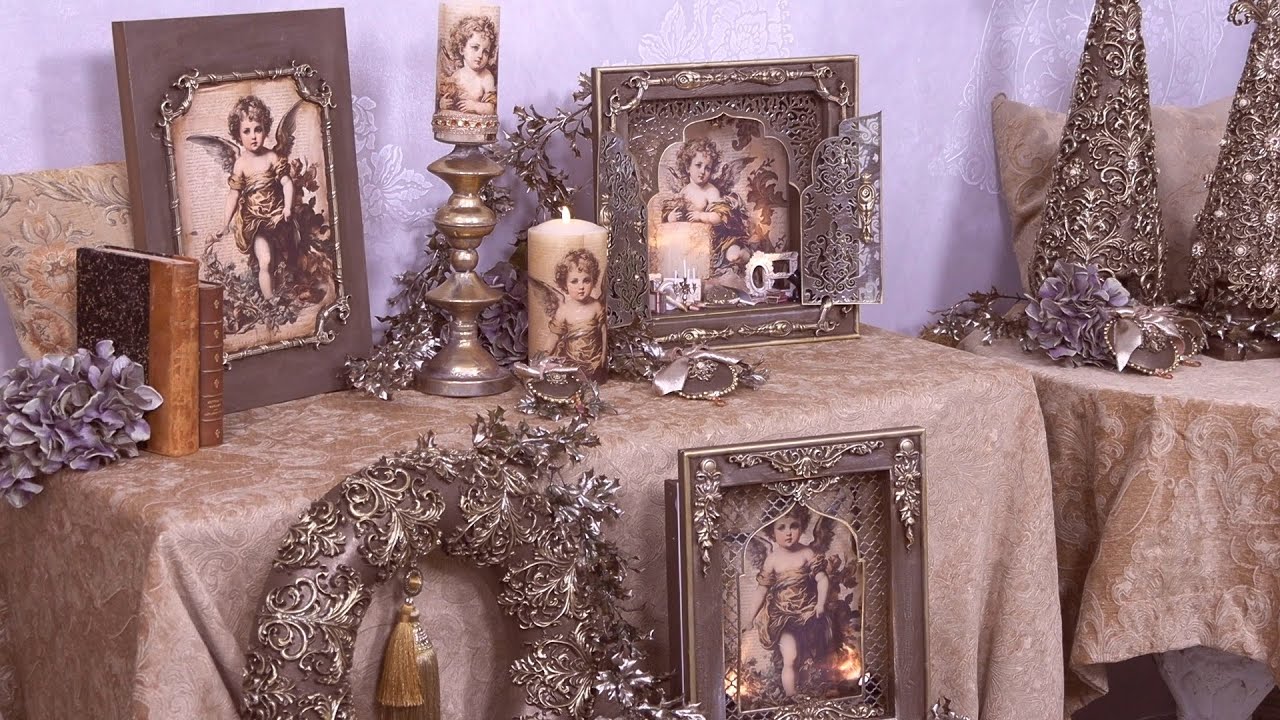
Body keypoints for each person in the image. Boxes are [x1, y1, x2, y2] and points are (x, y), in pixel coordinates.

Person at [745, 505, 834, 698]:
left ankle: (809, 692)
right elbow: (761, 590)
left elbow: (822, 579)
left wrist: (820, 604)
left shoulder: (807, 553)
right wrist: (750, 618)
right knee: (790, 656)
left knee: (810, 656)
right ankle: (791, 696)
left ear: (802, 527)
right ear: (772, 532)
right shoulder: (772, 560)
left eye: (794, 526)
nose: (788, 533)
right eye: (781, 527)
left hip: (808, 614)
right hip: (782, 617)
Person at [215, 95, 294, 301]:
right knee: (265, 260)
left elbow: (287, 183)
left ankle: (280, 295)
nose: (253, 137)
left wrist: (287, 207)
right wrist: (225, 223)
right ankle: (270, 302)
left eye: (258, 129)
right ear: (237, 134)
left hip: (277, 218)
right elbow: (234, 194)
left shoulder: (272, 157)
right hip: (255, 222)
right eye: (246, 131)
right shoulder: (240, 164)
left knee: (282, 260)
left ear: (265, 130)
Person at [661, 138, 758, 289]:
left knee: (732, 255)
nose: (702, 172)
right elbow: (672, 210)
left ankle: (746, 253)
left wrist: (702, 216)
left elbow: (720, 216)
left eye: (708, 168)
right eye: (698, 165)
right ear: (687, 167)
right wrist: (671, 217)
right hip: (697, 242)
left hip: (719, 239)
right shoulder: (684, 191)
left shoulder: (711, 191)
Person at [548, 248, 605, 370]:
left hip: (594, 362)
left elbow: (604, 333)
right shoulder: (564, 310)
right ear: (565, 285)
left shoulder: (596, 306)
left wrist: (603, 358)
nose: (581, 287)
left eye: (586, 281)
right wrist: (545, 355)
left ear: (593, 281)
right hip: (571, 362)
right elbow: (554, 337)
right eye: (574, 281)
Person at [439, 15, 497, 115]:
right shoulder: (456, 76)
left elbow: (491, 109)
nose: (480, 55)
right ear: (462, 49)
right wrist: (443, 103)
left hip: (477, 122)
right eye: (475, 47)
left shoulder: (486, 77)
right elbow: (447, 100)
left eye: (485, 52)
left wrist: (475, 106)